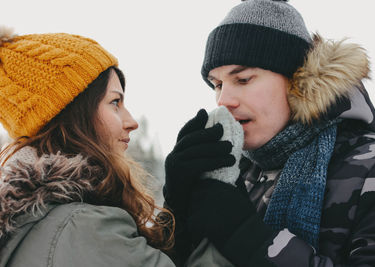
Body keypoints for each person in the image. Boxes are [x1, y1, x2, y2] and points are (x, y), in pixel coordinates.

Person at [163, 0, 375, 266]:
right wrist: (176, 211)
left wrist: (250, 238)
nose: (223, 100)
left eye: (243, 79)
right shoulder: (233, 173)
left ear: (298, 80)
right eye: (217, 84)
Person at [0, 28, 231, 266]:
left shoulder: (36, 221)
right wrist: (224, 228)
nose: (132, 122)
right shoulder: (83, 227)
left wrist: (177, 209)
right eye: (115, 102)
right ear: (75, 116)